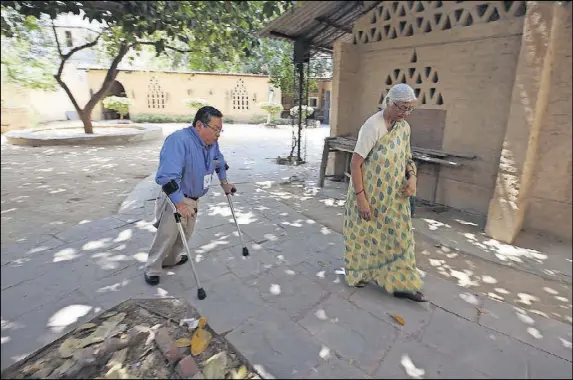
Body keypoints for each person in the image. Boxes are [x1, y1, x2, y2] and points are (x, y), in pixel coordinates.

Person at [343, 83, 426, 302]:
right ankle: (360, 274)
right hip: (368, 197)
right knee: (364, 238)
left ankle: (401, 284)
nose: (405, 113)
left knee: (401, 239)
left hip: (395, 198)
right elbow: (355, 164)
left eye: (409, 109)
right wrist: (361, 200)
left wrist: (413, 178)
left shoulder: (404, 128)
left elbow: (408, 158)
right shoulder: (372, 127)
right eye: (401, 108)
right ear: (389, 102)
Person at [144, 106, 235, 286]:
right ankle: (152, 267)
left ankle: (171, 260)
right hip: (176, 197)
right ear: (200, 125)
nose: (218, 134)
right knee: (167, 235)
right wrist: (179, 203)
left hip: (193, 198)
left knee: (185, 234)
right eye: (216, 129)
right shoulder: (179, 141)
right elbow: (167, 177)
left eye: (220, 129)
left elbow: (219, 161)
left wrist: (224, 183)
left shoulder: (211, 143)